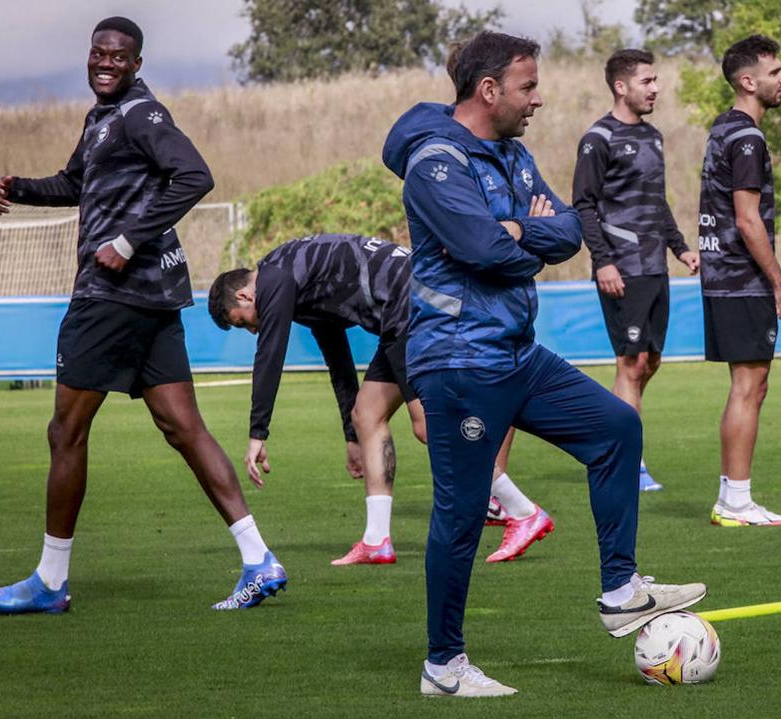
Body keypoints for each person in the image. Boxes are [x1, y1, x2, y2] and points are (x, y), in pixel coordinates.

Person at [382, 31, 706, 698]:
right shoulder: (435, 163)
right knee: (462, 515)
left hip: (515, 354)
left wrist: (517, 232)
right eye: (528, 87)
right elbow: (485, 250)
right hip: (459, 363)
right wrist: (519, 235)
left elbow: (567, 230)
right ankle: (443, 667)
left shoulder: (512, 154)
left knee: (616, 427)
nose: (540, 98)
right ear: (489, 90)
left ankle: (621, 591)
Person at [0, 17, 284, 613]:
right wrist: (19, 188)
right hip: (154, 298)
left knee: (66, 430)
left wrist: (126, 239)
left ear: (136, 64)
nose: (106, 63)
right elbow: (75, 183)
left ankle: (49, 581)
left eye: (119, 57)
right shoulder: (101, 120)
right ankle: (258, 558)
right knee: (182, 428)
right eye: (98, 54)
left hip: (114, 295)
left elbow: (196, 176)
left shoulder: (142, 115)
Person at [207, 234, 552, 565]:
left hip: (414, 306)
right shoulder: (292, 280)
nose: (253, 330)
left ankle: (522, 511)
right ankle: (376, 541)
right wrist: (350, 436)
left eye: (244, 324)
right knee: (367, 414)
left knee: (428, 427)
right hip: (399, 316)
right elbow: (337, 355)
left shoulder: (276, 279)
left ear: (245, 296)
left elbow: (271, 352)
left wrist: (258, 433)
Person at [572, 48, 699, 493]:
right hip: (621, 267)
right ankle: (630, 462)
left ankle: (611, 437)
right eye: (647, 81)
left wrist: (680, 248)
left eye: (656, 80)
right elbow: (583, 206)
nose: (656, 88)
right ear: (621, 86)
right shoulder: (598, 139)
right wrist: (602, 260)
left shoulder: (654, 137)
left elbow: (656, 200)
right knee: (631, 363)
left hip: (654, 265)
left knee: (650, 361)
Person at [696, 35, 781, 528]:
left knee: (749, 385)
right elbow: (747, 219)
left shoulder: (723, 129)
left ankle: (733, 497)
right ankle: (735, 502)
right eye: (776, 71)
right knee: (749, 384)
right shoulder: (748, 138)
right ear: (748, 80)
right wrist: (780, 284)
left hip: (724, 277)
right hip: (742, 280)